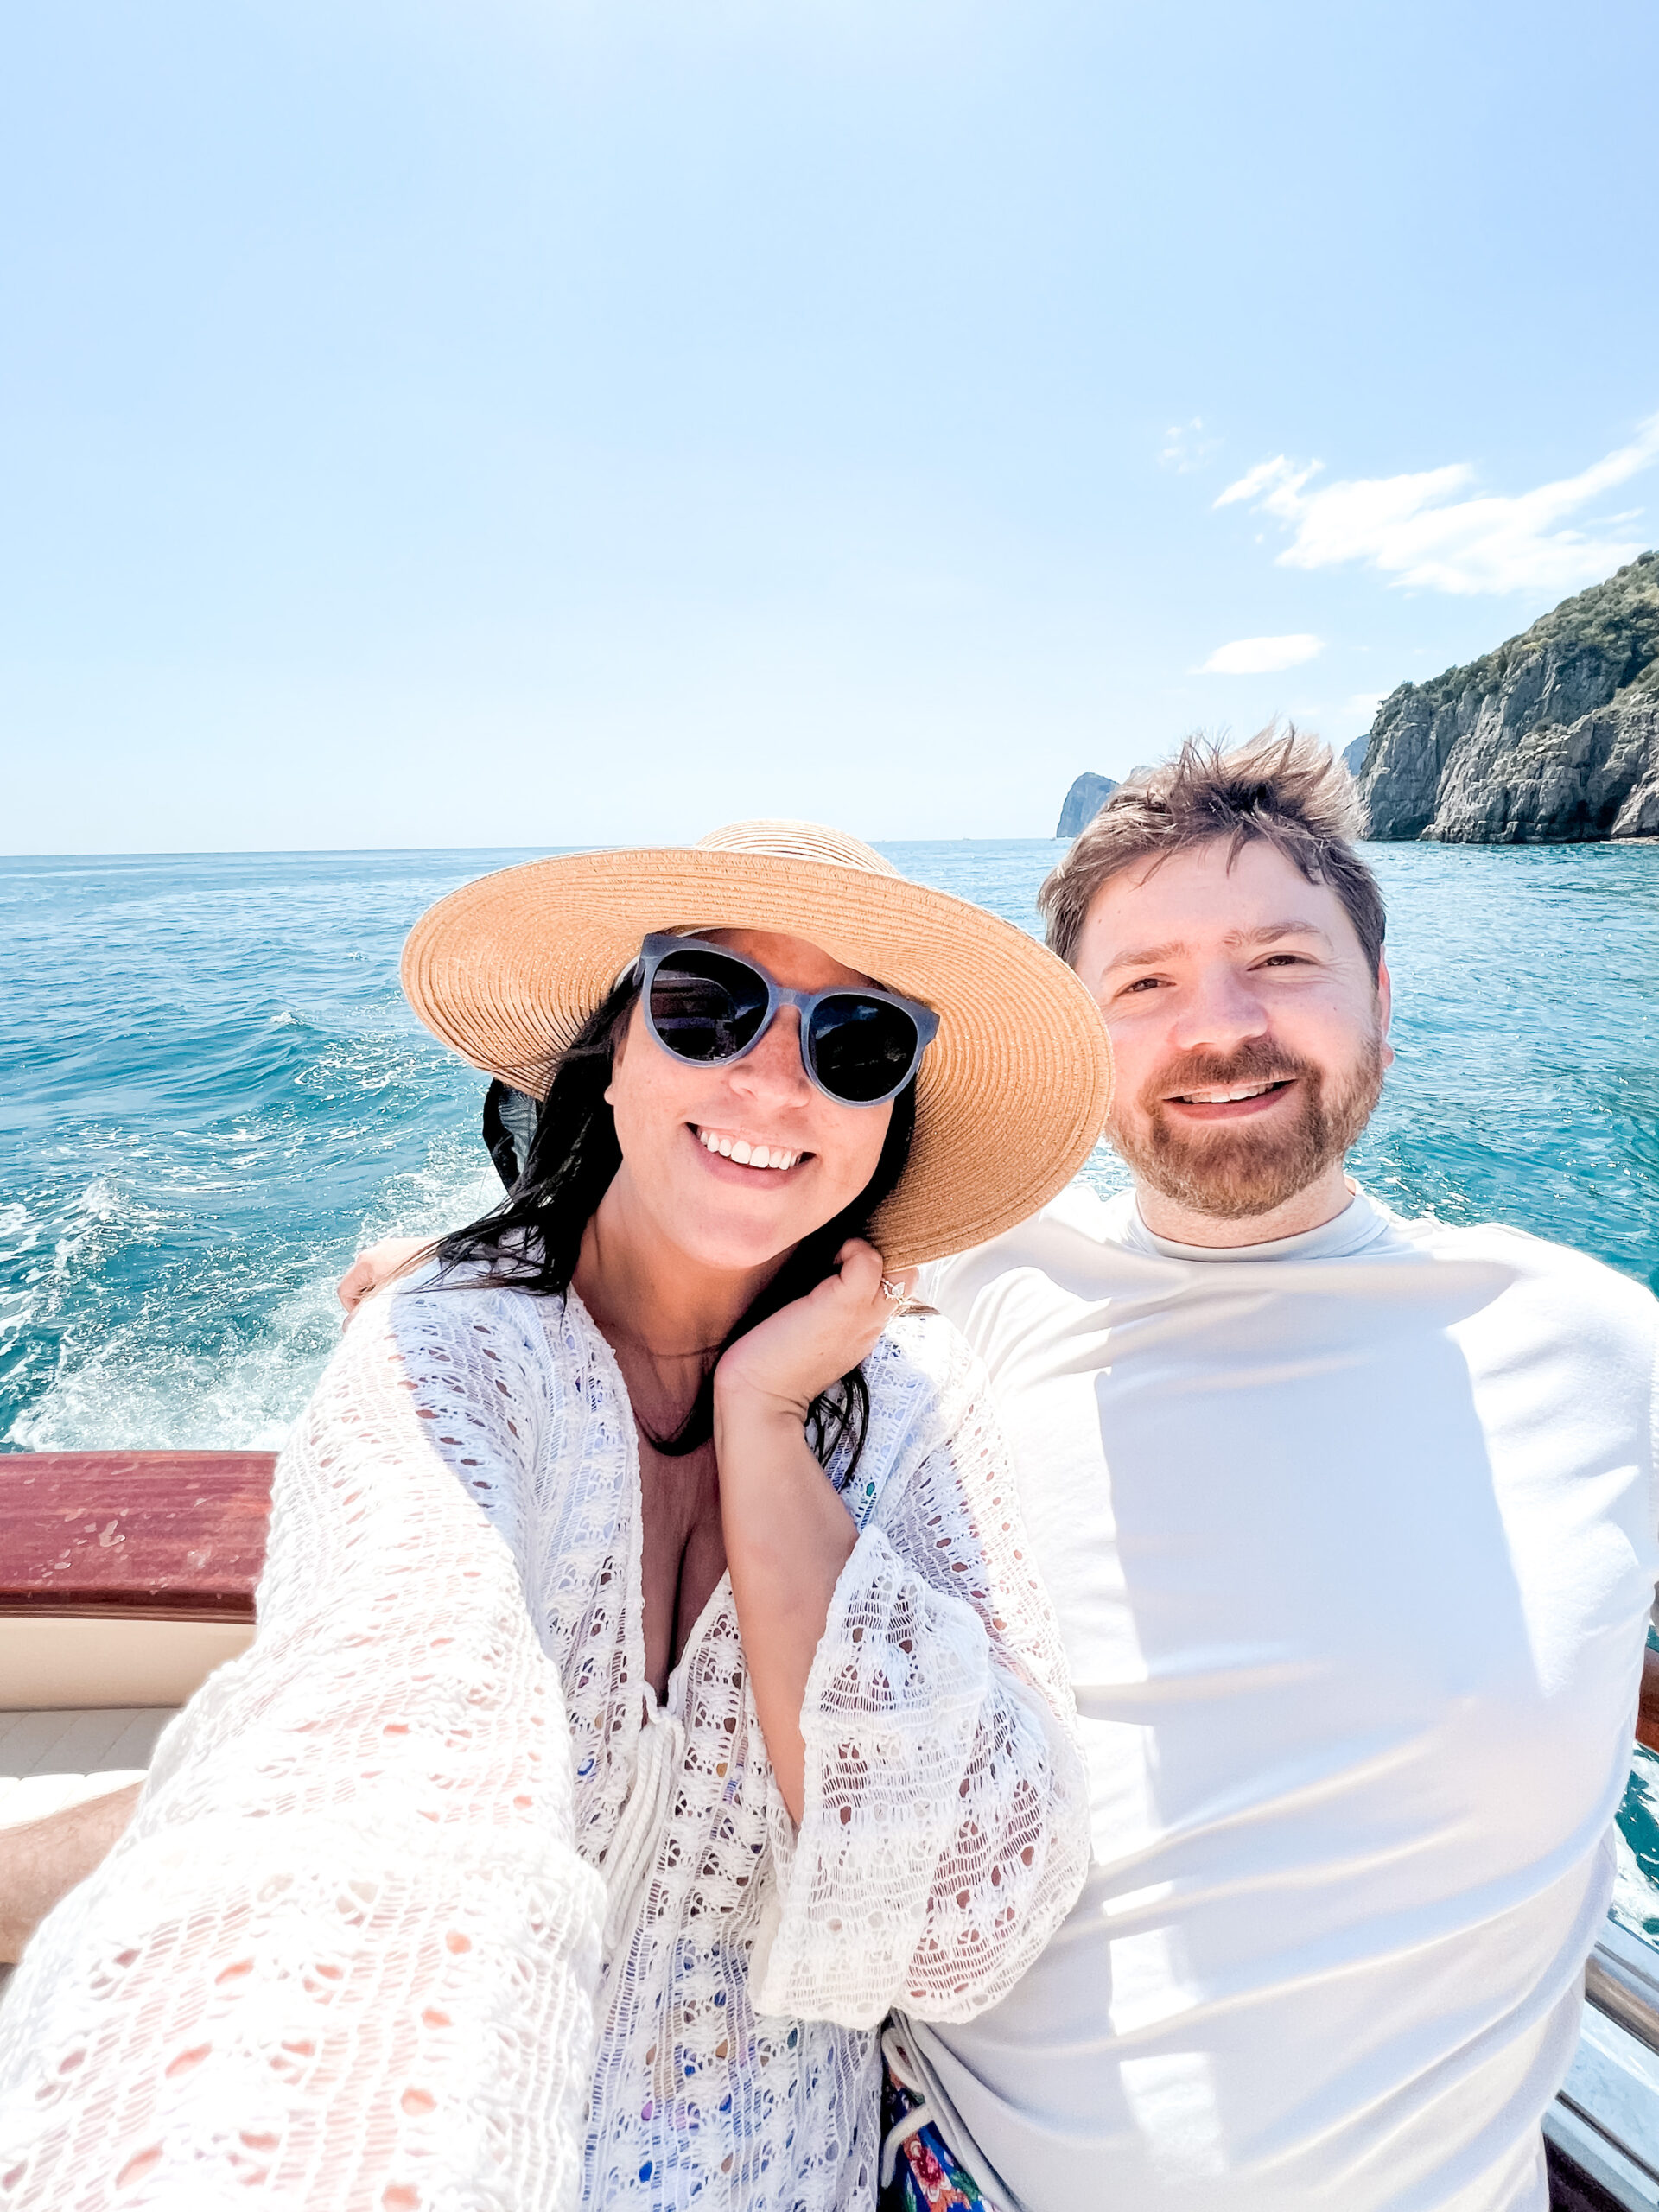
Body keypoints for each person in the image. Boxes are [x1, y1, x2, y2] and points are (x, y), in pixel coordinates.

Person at [339, 733, 1657, 2212]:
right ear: (1083, 1048)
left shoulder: (1602, 1349)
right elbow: (718, 1214)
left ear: (1383, 1006)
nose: (1219, 1029)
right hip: (941, 2178)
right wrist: (486, 1278)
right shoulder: (981, 1291)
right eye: (1144, 984)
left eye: (1283, 961)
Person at [0, 822, 1109, 2212]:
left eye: (860, 1043)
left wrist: (768, 1426)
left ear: (892, 1112)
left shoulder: (915, 1402)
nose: (776, 1080)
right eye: (708, 1004)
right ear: (613, 1047)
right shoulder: (445, 1353)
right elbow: (388, 1727)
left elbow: (974, 1926)